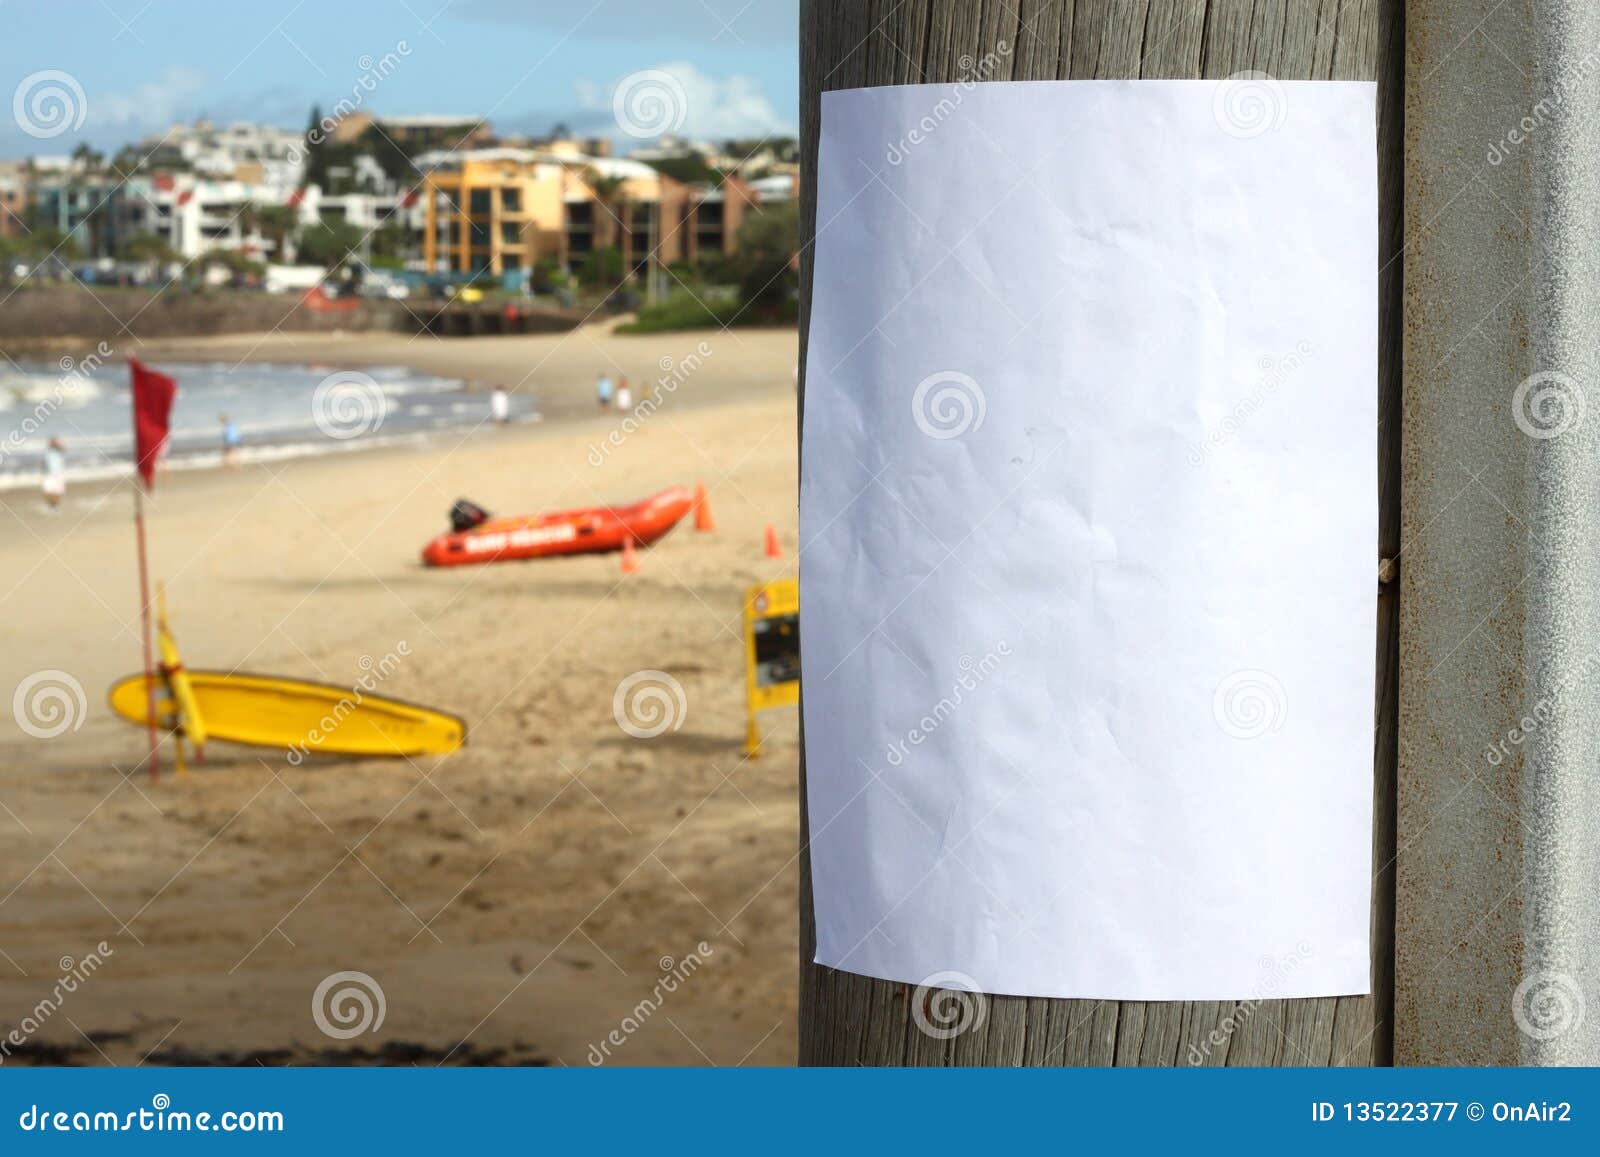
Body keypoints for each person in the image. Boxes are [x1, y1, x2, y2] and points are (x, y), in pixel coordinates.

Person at [41, 437, 65, 512]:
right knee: (47, 490)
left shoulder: (59, 451)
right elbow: (44, 462)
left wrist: (57, 444)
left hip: (58, 473)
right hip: (48, 473)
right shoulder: (47, 451)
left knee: (57, 491)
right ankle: (51, 506)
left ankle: (56, 507)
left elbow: (64, 449)